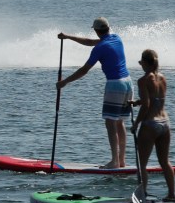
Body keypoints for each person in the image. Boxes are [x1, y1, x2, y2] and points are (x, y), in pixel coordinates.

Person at [57, 17, 133, 169]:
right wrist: (68, 37)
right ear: (108, 28)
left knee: (110, 122)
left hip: (115, 85)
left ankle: (114, 161)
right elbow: (90, 41)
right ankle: (121, 160)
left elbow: (84, 70)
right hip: (128, 82)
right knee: (119, 122)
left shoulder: (100, 48)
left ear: (97, 31)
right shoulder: (116, 38)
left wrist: (65, 82)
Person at [130, 49, 175, 201]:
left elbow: (147, 106)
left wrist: (136, 124)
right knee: (165, 162)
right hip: (165, 123)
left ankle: (142, 197)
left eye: (141, 62)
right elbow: (154, 99)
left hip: (150, 124)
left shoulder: (143, 80)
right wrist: (136, 102)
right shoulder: (162, 78)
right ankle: (171, 195)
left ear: (144, 62)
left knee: (142, 164)